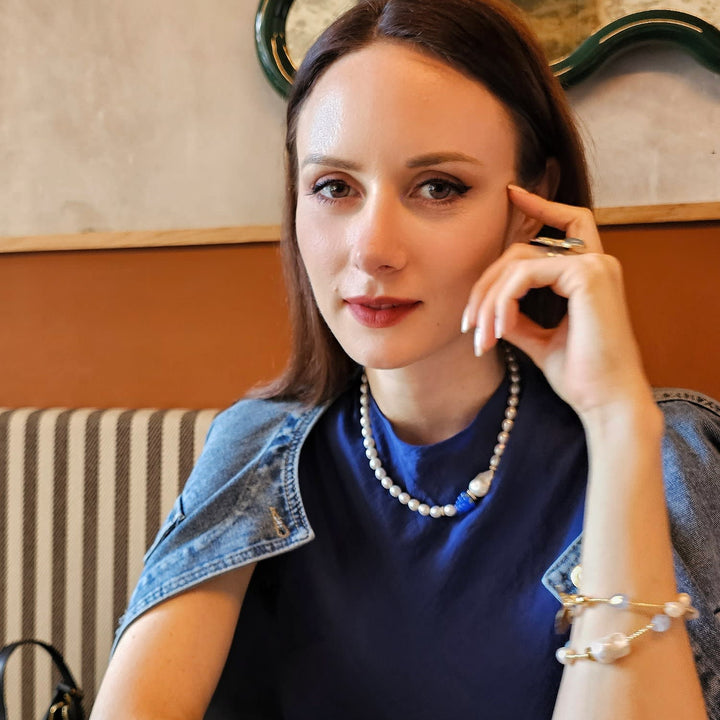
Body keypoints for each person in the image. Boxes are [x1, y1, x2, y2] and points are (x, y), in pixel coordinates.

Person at [91, 0, 720, 718]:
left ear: (532, 203)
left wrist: (617, 425)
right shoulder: (256, 447)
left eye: (438, 187)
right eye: (334, 187)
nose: (372, 250)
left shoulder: (665, 453)